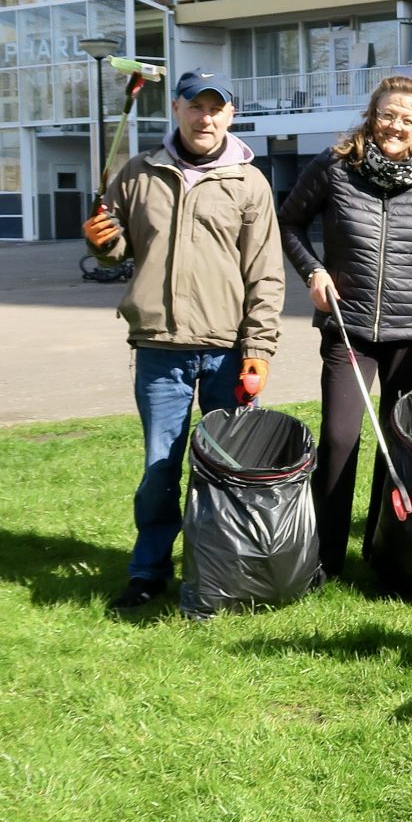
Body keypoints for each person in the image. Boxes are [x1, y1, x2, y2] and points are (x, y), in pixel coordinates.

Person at [82, 71, 285, 614]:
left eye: (217, 108)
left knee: (230, 472)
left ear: (232, 115)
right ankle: (148, 572)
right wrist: (103, 244)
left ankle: (227, 569)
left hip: (229, 352)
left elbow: (266, 273)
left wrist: (259, 351)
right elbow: (118, 247)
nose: (206, 118)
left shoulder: (249, 183)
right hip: (159, 349)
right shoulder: (138, 173)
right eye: (196, 106)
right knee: (158, 470)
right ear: (176, 109)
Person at [278, 76, 412, 578]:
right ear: (371, 116)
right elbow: (289, 222)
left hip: (409, 336)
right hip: (348, 329)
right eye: (387, 115)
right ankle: (326, 560)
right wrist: (313, 271)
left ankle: (383, 553)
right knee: (340, 439)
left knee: (397, 447)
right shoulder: (336, 167)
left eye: (407, 118)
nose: (395, 126)